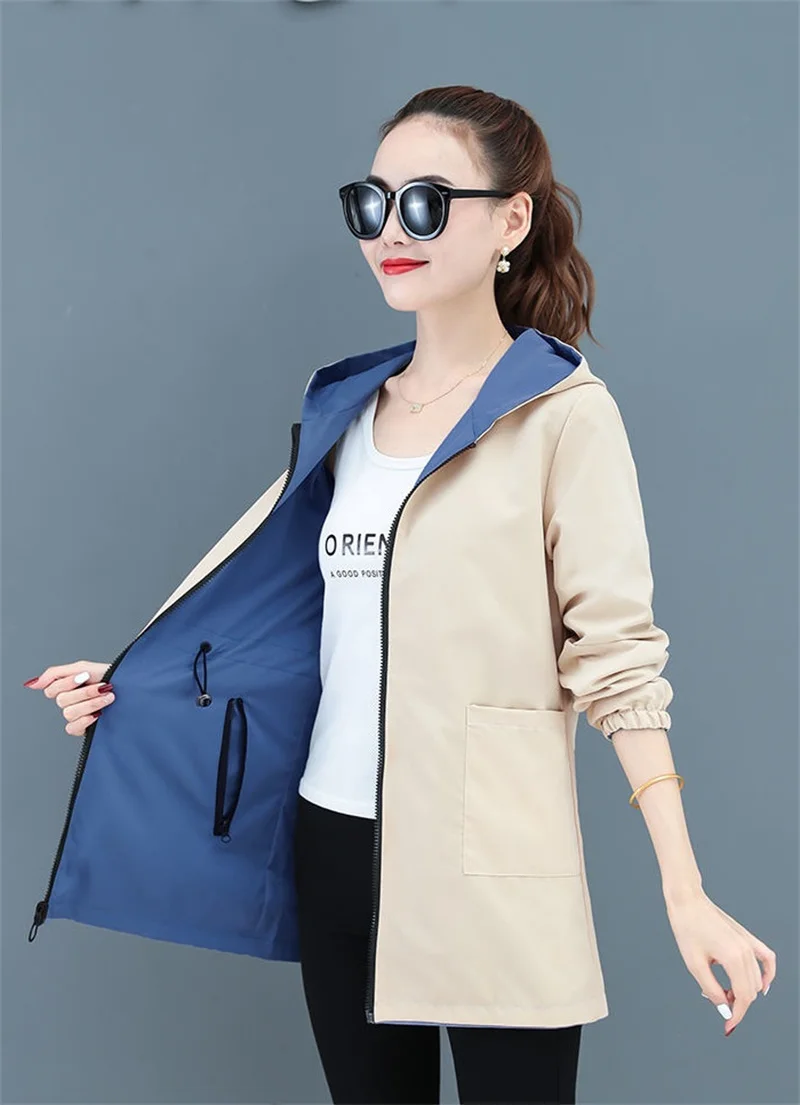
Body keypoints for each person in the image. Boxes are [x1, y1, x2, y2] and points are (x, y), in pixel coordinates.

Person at [24, 85, 776, 1105]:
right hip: (334, 843)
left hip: (492, 864)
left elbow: (617, 663)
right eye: (370, 204)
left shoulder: (563, 414)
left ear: (510, 220)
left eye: (425, 204)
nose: (389, 232)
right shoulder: (344, 411)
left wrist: (684, 892)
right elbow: (290, 624)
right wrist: (132, 687)